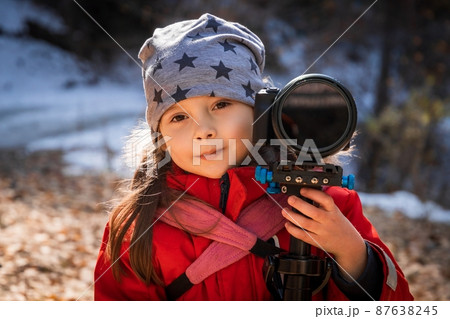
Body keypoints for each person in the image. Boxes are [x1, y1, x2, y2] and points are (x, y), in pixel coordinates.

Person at [94, 13, 413, 301]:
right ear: (159, 137)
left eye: (221, 105)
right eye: (178, 117)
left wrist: (352, 253)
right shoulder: (138, 226)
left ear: (261, 114)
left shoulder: (325, 204)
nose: (203, 130)